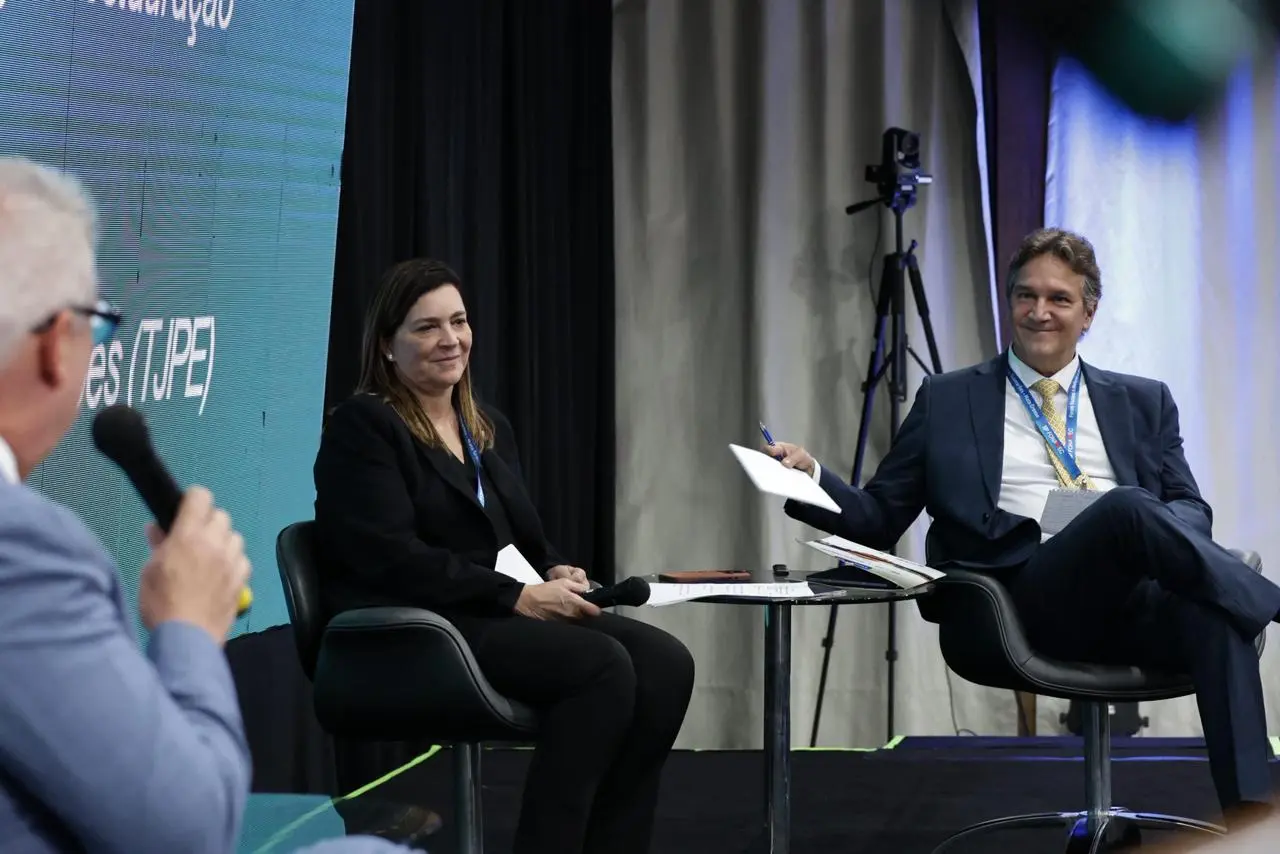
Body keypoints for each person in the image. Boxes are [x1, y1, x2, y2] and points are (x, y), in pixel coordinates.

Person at [767, 227, 1280, 830]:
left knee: (1209, 612)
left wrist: (1136, 523)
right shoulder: (948, 398)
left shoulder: (1144, 401)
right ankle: (1270, 605)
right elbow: (878, 519)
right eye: (1025, 296)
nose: (1040, 312)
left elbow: (1192, 511)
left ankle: (1255, 827)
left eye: (1060, 299)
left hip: (1132, 602)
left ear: (1088, 313)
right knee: (1123, 507)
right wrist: (813, 477)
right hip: (1015, 602)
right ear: (1007, 304)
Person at [0, 156, 412, 853]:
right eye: (97, 327)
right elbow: (186, 831)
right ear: (52, 349)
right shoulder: (26, 552)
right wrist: (189, 625)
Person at [313, 258, 696, 854]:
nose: (450, 340)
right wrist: (514, 596)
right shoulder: (365, 426)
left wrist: (552, 571)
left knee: (667, 662)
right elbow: (386, 557)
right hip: (426, 622)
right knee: (601, 667)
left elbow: (518, 537)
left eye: (459, 322)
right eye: (426, 327)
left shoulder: (484, 427)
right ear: (387, 345)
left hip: (495, 609)